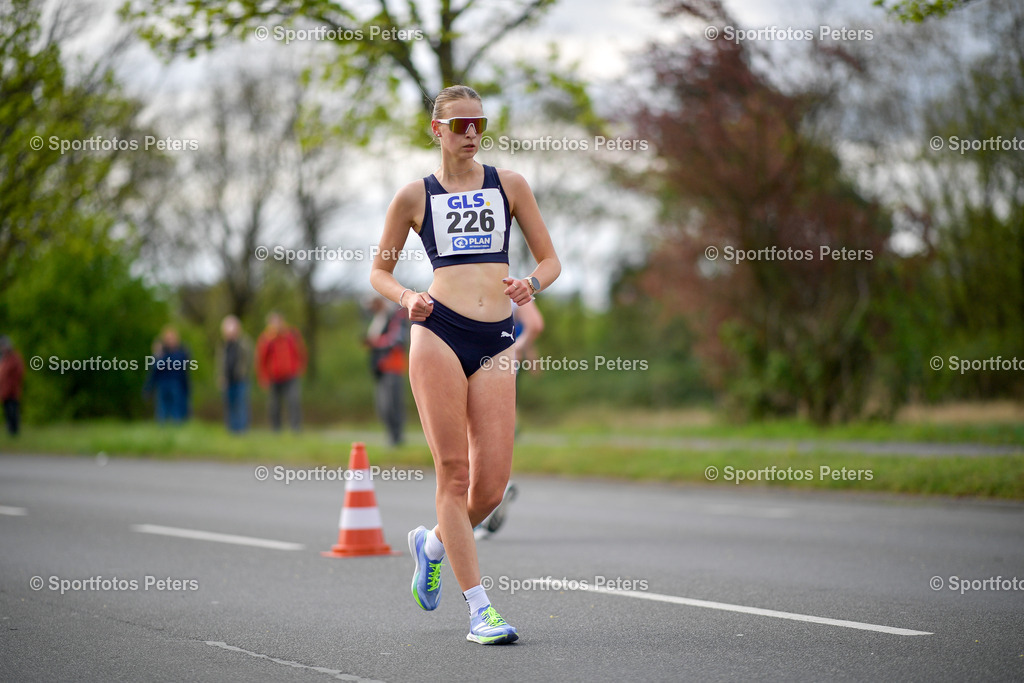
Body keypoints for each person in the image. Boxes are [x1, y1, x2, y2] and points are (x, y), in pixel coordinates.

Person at [370, 84, 560, 645]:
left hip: (497, 338)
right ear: (437, 131)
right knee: (453, 474)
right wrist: (407, 299)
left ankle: (430, 545)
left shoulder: (510, 185)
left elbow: (550, 260)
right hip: (439, 333)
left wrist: (531, 283)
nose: (471, 131)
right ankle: (480, 611)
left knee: (491, 487)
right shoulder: (413, 196)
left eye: (479, 122)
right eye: (459, 124)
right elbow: (378, 272)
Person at [472, 299, 544, 539]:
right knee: (495, 430)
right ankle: (495, 490)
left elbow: (534, 324)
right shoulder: (515, 286)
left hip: (474, 364)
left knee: (470, 438)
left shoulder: (464, 281)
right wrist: (522, 350)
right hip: (506, 365)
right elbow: (532, 325)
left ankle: (486, 502)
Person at [365, 297, 408, 447]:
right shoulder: (378, 319)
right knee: (383, 406)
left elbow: (397, 339)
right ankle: (391, 436)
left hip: (393, 366)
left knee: (393, 404)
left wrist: (375, 342)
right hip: (380, 368)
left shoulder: (395, 315)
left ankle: (397, 438)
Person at [256, 312, 307, 431]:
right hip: (273, 377)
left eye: (278, 321)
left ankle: (296, 428)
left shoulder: (292, 335)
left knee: (294, 401)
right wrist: (263, 377)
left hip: (291, 375)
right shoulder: (266, 338)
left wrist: (300, 367)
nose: (276, 325)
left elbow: (301, 352)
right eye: (273, 322)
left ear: (282, 321)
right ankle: (276, 429)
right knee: (274, 405)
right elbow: (261, 359)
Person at [146, 327, 192, 423]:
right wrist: (157, 355)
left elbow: (182, 367)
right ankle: (162, 431)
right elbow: (155, 369)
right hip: (162, 384)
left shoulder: (181, 352)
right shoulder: (161, 353)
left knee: (176, 410)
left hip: (176, 383)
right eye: (168, 338)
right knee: (162, 410)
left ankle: (176, 430)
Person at [218, 315, 252, 433]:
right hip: (228, 380)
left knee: (241, 406)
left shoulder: (243, 342)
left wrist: (242, 373)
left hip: (240, 379)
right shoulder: (223, 345)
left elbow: (248, 359)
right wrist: (220, 376)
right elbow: (220, 362)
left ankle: (242, 431)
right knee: (229, 406)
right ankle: (231, 430)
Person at [0, 336, 25, 436]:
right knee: (7, 411)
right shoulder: (4, 358)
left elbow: (19, 372)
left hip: (12, 390)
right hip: (5, 390)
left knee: (13, 411)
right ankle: (10, 430)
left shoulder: (14, 358)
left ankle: (14, 431)